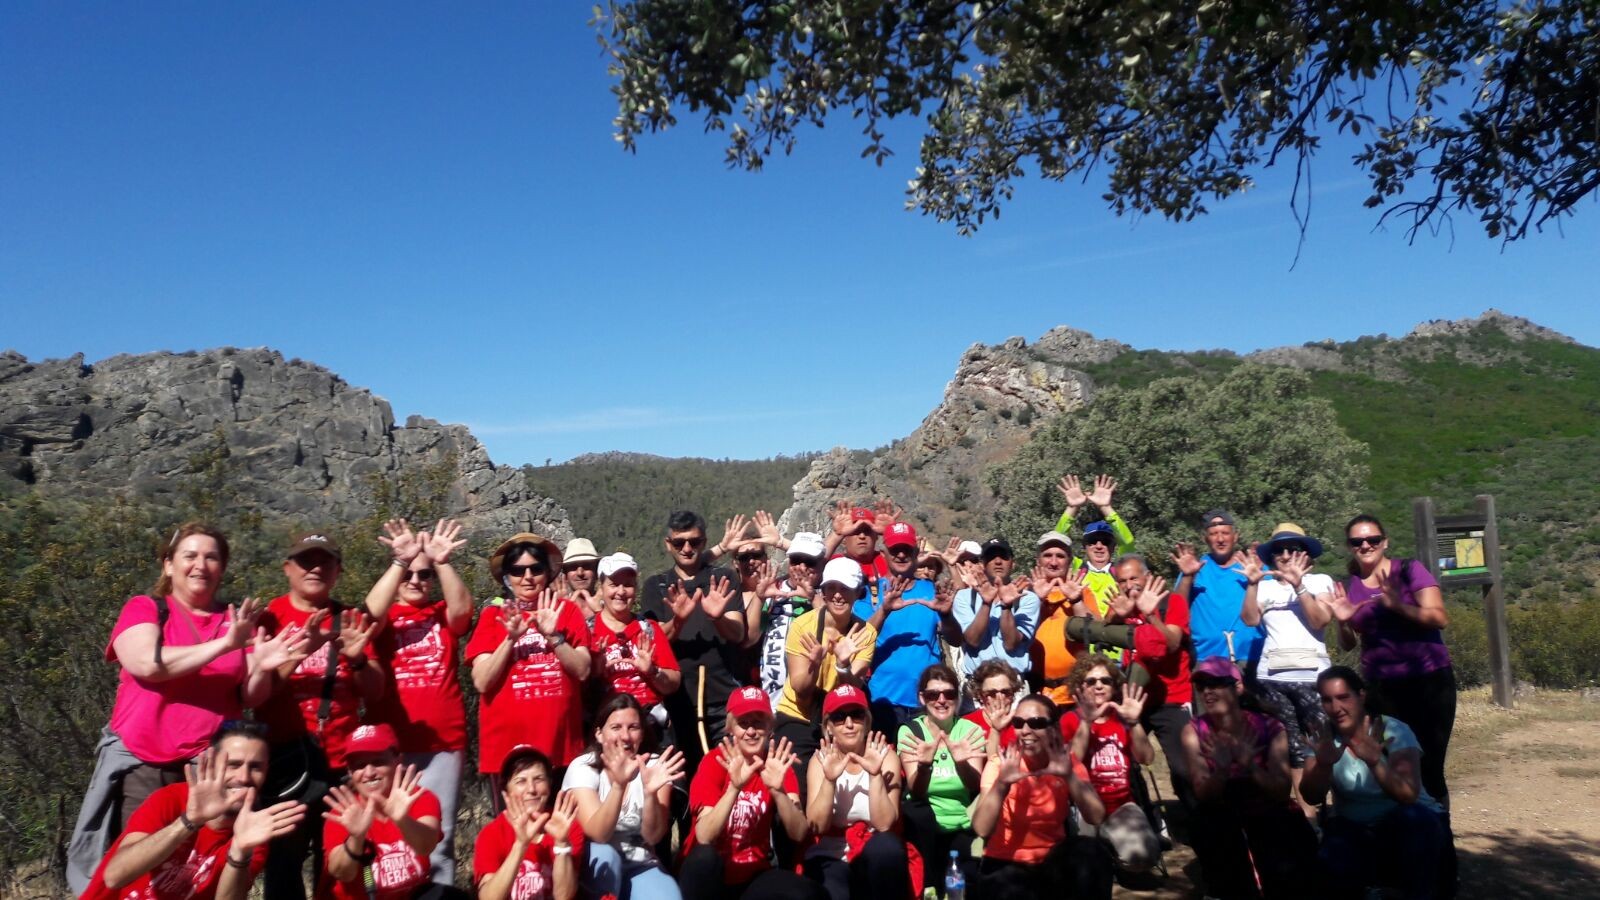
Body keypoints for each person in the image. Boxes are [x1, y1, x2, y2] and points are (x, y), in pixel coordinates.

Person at [68, 524, 308, 894]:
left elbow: (250, 698)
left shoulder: (237, 621)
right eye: (190, 556)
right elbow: (149, 664)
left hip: (210, 765)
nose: (201, 565)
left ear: (223, 566)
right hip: (142, 762)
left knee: (198, 867)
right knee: (144, 866)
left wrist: (261, 664)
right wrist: (227, 645)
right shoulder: (146, 609)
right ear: (168, 565)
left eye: (212, 557)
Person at [256, 532, 385, 900]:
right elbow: (255, 694)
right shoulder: (269, 618)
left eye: (324, 562)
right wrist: (300, 652)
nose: (315, 568)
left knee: (338, 863)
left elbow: (375, 692)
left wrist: (358, 658)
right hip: (284, 762)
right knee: (283, 861)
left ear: (337, 571)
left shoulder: (352, 619)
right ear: (287, 569)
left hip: (342, 764)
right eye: (305, 561)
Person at [363, 518, 473, 886]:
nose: (415, 581)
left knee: (437, 837)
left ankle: (438, 894)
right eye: (409, 574)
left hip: (442, 742)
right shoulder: (385, 619)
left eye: (423, 575)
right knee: (384, 837)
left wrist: (441, 562)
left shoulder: (441, 614)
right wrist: (399, 562)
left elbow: (463, 611)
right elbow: (367, 616)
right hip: (388, 746)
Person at [79, 723, 307, 900]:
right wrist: (189, 821)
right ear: (211, 763)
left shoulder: (254, 829)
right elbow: (115, 876)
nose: (244, 777)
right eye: (234, 765)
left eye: (255, 767)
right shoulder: (172, 798)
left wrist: (239, 851)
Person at [1332, 514, 1455, 813]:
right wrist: (1343, 622)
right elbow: (1348, 644)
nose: (1365, 545)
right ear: (1350, 547)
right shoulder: (1350, 586)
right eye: (1357, 541)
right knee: (1389, 759)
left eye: (1373, 539)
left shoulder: (1409, 570)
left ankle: (1438, 834)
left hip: (1429, 680)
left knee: (1429, 764)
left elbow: (1439, 618)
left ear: (1384, 542)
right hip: (1380, 687)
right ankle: (1402, 835)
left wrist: (1397, 605)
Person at [1300, 666, 1448, 900]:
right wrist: (1323, 765)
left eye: (1343, 697)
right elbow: (1311, 796)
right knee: (1332, 855)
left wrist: (1375, 761)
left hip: (1409, 820)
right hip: (1355, 826)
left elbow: (1408, 795)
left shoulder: (1392, 730)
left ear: (1361, 695)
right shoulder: (1324, 739)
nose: (1336, 708)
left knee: (1414, 823)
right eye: (1327, 700)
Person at [467, 533, 593, 799]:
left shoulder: (567, 612)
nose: (527, 577)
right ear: (507, 577)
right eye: (518, 570)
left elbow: (582, 669)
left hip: (562, 748)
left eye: (535, 569)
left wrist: (553, 637)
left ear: (547, 573)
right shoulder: (493, 617)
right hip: (507, 753)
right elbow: (481, 681)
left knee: (562, 833)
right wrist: (510, 640)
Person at [1180, 657, 1317, 899]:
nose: (1207, 691)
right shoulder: (1193, 731)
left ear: (1238, 687)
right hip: (1223, 813)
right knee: (1205, 824)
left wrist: (1250, 765)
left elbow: (1281, 791)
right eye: (1202, 686)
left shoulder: (1271, 727)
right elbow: (1203, 794)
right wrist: (1221, 771)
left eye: (1216, 683)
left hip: (1267, 809)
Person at [678, 686, 824, 900]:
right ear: (730, 729)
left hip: (752, 872)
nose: (751, 731)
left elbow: (799, 833)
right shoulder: (714, 762)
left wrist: (779, 791)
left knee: (808, 892)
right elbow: (704, 836)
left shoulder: (776, 764)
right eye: (743, 723)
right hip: (708, 875)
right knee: (705, 858)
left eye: (758, 722)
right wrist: (734, 789)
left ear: (770, 727)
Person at [970, 694, 1113, 900]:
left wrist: (1069, 775)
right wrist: (1002, 783)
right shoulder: (1002, 763)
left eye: (1036, 723)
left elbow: (1096, 816)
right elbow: (981, 828)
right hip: (1006, 861)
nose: (1026, 731)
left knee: (1091, 852)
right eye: (1018, 723)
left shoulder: (1065, 762)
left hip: (1052, 861)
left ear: (1054, 728)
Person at [1239, 524, 1335, 815]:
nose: (1285, 554)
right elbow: (1250, 620)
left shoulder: (1320, 581)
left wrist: (1299, 586)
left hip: (1314, 677)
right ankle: (1309, 819)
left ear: (1304, 553)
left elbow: (1320, 621)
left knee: (1323, 746)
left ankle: (1332, 810)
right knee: (1293, 748)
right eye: (1279, 550)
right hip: (1272, 679)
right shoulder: (1264, 585)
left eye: (1292, 548)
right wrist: (1252, 585)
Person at [639, 510, 747, 766]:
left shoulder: (723, 579)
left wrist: (718, 617)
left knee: (729, 775)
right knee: (682, 783)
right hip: (676, 704)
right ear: (668, 545)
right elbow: (651, 642)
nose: (687, 548)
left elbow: (738, 633)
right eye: (679, 542)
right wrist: (678, 621)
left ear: (704, 541)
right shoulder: (657, 586)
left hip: (724, 700)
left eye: (694, 542)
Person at [563, 693, 688, 900]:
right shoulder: (583, 768)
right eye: (616, 728)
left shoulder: (654, 766)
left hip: (639, 864)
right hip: (593, 864)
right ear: (599, 734)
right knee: (607, 855)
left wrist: (650, 795)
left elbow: (654, 836)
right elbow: (598, 835)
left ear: (642, 734)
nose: (625, 736)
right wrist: (619, 786)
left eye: (633, 727)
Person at [320, 723, 454, 900]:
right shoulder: (344, 813)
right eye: (359, 766)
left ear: (397, 760)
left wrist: (403, 820)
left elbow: (426, 846)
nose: (369, 773)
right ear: (350, 772)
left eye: (378, 762)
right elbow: (341, 872)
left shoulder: (419, 798)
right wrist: (356, 839)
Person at [802, 686, 912, 900]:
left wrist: (874, 775)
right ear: (829, 727)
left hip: (875, 849)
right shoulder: (819, 760)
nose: (849, 724)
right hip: (831, 853)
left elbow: (885, 824)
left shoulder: (885, 756)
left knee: (887, 848)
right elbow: (817, 825)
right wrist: (830, 780)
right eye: (840, 717)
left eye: (857, 715)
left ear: (868, 721)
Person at [774, 558, 877, 787]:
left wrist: (842, 664)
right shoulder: (803, 627)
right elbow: (800, 690)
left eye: (845, 589)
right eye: (831, 588)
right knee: (794, 788)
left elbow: (853, 689)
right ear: (824, 590)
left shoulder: (865, 633)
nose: (838, 595)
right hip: (798, 715)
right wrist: (814, 664)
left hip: (839, 718)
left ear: (857, 592)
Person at [1103, 556, 1194, 811]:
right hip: (1134, 697)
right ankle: (1143, 817)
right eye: (1122, 580)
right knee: (1122, 760)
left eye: (1134, 578)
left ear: (1147, 576)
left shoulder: (1171, 601)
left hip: (1172, 699)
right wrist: (1118, 617)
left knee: (1182, 767)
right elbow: (1106, 628)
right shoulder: (1122, 606)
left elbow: (1173, 643)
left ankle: (1198, 822)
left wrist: (1149, 615)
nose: (1129, 585)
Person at [855, 520, 962, 736]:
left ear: (915, 552)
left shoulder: (932, 591)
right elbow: (859, 641)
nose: (901, 555)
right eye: (895, 550)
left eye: (906, 549)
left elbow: (956, 639)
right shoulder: (870, 594)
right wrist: (884, 610)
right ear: (884, 553)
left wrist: (946, 614)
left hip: (927, 701)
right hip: (883, 701)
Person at [1061, 657, 1160, 875]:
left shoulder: (1123, 718)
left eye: (1105, 680)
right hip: (1083, 806)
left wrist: (1134, 723)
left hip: (1121, 804)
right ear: (1080, 687)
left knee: (1144, 855)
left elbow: (1146, 757)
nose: (1098, 685)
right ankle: (1102, 851)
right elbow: (1071, 760)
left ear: (1114, 686)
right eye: (1091, 681)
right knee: (1085, 868)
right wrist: (1086, 723)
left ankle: (1114, 853)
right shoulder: (1069, 719)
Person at [897, 664, 986, 898]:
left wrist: (961, 763)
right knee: (920, 813)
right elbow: (916, 791)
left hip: (960, 824)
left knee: (966, 885)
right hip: (923, 828)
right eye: (933, 695)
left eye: (949, 694)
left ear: (957, 697)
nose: (941, 700)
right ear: (921, 698)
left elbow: (975, 786)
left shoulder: (970, 731)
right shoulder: (910, 732)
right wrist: (925, 766)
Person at [473, 746, 582, 900]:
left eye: (538, 779)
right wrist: (521, 844)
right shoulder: (491, 833)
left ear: (549, 785)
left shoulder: (567, 826)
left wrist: (561, 843)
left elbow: (564, 896)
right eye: (521, 781)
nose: (531, 789)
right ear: (506, 792)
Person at [590, 553, 681, 725]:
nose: (621, 592)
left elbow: (673, 683)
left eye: (628, 585)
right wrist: (594, 672)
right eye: (614, 584)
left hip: (650, 724)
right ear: (600, 588)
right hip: (607, 726)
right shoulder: (589, 631)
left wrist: (652, 672)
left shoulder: (649, 628)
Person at [1172, 510, 1263, 672]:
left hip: (1251, 657)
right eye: (1214, 534)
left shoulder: (1253, 567)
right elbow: (1176, 610)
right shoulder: (1195, 568)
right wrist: (1187, 576)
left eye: (1225, 533)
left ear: (1235, 536)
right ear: (1205, 539)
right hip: (1205, 658)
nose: (1220, 539)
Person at [952, 538, 1040, 678]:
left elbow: (1011, 643)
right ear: (982, 564)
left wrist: (1007, 606)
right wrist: (986, 604)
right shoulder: (964, 597)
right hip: (977, 682)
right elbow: (973, 640)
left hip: (1014, 683)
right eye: (991, 557)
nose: (998, 562)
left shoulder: (1028, 599)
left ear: (1013, 563)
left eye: (1004, 557)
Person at [757, 532, 825, 708]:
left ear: (822, 564)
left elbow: (837, 627)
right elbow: (751, 636)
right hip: (772, 700)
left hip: (810, 702)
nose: (801, 568)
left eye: (809, 562)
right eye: (795, 560)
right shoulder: (774, 590)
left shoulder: (831, 594)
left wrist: (813, 598)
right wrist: (759, 599)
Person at [1026, 531, 1092, 704]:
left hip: (1074, 691)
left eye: (1060, 556)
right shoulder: (1025, 593)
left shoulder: (1082, 591)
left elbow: (1091, 632)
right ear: (1038, 560)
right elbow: (1018, 635)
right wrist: (1036, 599)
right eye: (1047, 555)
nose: (1053, 562)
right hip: (1037, 689)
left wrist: (1076, 600)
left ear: (1069, 560)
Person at [1055, 474, 1135, 608]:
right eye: (1092, 541)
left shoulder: (1120, 571)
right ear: (1084, 546)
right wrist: (1072, 509)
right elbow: (1056, 543)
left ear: (1113, 546)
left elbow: (1127, 542)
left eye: (1105, 541)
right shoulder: (1077, 568)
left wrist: (1106, 507)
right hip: (1081, 627)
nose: (1099, 546)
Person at [962, 660, 1021, 751]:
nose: (999, 697)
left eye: (1006, 692)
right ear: (980, 695)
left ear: (1013, 693)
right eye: (992, 693)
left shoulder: (1022, 725)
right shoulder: (966, 724)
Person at [560, 539, 603, 624]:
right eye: (573, 567)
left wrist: (601, 613)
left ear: (596, 571)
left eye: (587, 566)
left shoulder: (610, 607)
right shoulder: (558, 610)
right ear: (565, 575)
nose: (580, 573)